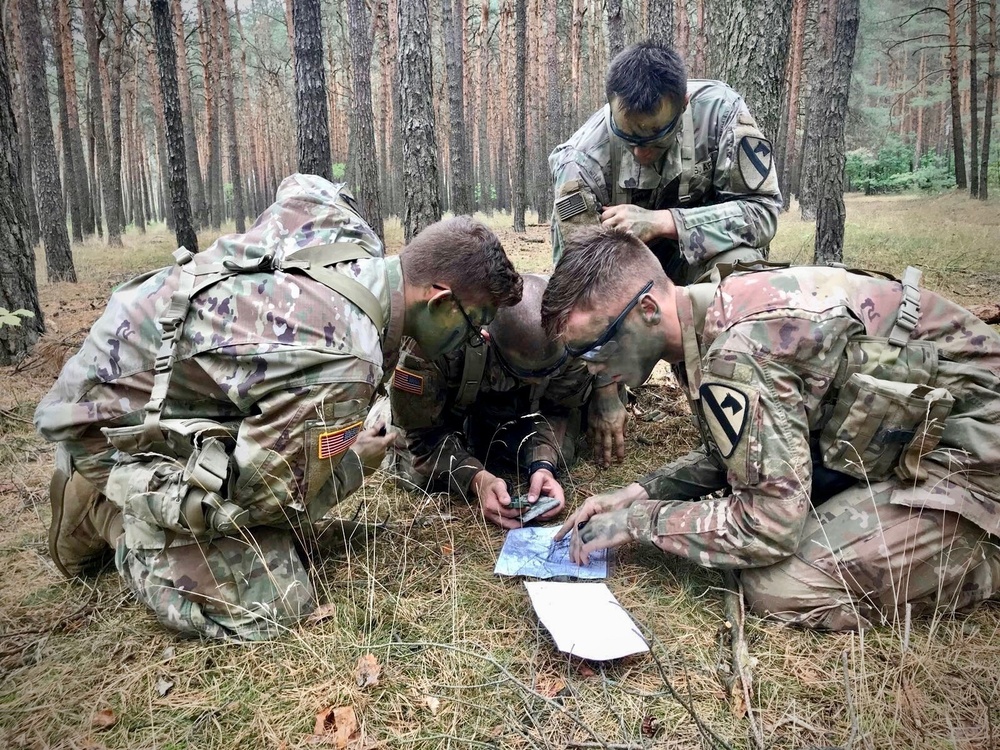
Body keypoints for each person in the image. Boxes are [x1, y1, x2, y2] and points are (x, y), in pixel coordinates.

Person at [35, 173, 523, 640]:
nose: (477, 336)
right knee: (276, 599)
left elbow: (306, 187)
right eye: (475, 319)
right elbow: (258, 502)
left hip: (134, 358)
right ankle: (112, 509)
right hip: (104, 417)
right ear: (438, 301)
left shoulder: (355, 239)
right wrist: (355, 463)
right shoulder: (345, 362)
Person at [540, 225, 1000, 631]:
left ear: (646, 309)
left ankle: (984, 554)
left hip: (973, 451)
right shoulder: (711, 308)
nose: (593, 370)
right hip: (915, 431)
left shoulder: (740, 351)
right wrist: (640, 492)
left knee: (780, 587)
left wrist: (638, 521)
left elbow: (769, 526)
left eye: (596, 347)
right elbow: (751, 447)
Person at [389, 274, 627, 528]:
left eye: (545, 373)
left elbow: (558, 409)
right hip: (453, 409)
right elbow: (422, 436)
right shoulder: (438, 346)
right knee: (414, 475)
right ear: (487, 341)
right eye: (525, 375)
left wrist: (543, 465)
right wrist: (476, 479)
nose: (537, 383)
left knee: (562, 451)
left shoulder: (572, 341)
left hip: (520, 410)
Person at [549, 41, 781, 285]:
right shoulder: (580, 161)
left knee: (740, 266)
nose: (640, 153)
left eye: (656, 140)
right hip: (621, 283)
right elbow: (574, 279)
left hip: (698, 268)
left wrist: (664, 222)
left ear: (684, 104)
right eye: (628, 139)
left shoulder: (720, 115)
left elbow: (762, 212)